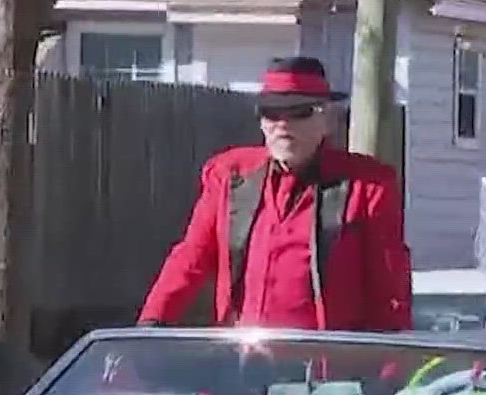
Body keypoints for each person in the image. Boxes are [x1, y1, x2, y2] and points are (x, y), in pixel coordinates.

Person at [136, 57, 411, 331]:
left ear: (326, 121)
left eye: (300, 112)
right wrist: (152, 323)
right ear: (261, 123)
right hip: (244, 359)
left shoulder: (366, 185)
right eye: (271, 112)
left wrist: (387, 366)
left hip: (327, 363)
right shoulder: (231, 175)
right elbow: (191, 257)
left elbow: (388, 287)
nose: (283, 124)